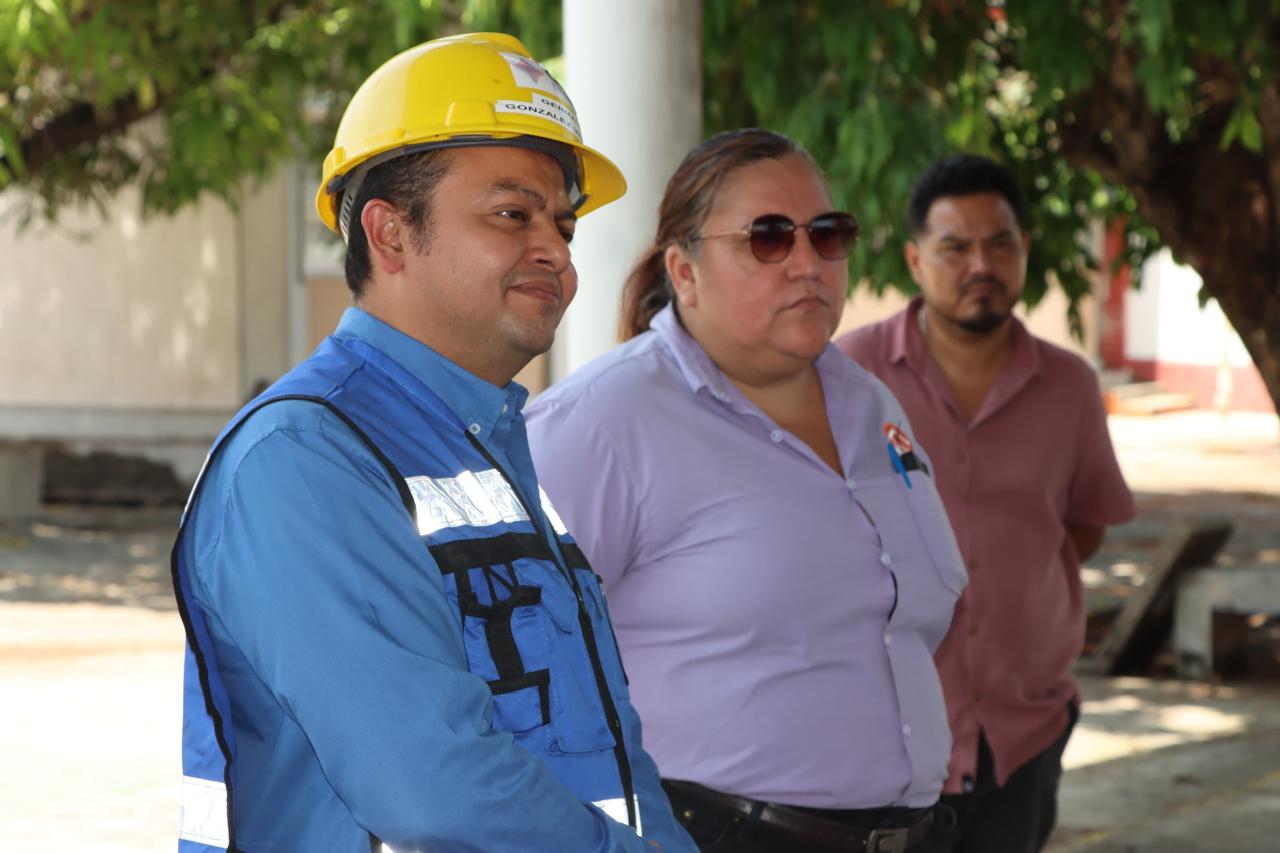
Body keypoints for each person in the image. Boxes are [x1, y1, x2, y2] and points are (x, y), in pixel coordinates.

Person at [171, 32, 695, 853]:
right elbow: (432, 782)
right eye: (512, 214)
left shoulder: (483, 439)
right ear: (389, 234)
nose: (555, 251)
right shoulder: (304, 455)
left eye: (563, 224)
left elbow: (606, 752)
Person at [525, 128, 965, 852]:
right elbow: (510, 666)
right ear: (684, 271)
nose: (807, 264)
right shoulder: (602, 422)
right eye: (768, 238)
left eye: (827, 234)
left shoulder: (871, 405)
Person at [835, 154, 1136, 853]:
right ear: (915, 259)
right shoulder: (848, 376)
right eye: (955, 247)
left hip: (1022, 733)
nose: (981, 264)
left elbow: (1082, 528)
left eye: (1000, 244)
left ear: (1024, 249)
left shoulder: (1070, 385)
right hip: (881, 735)